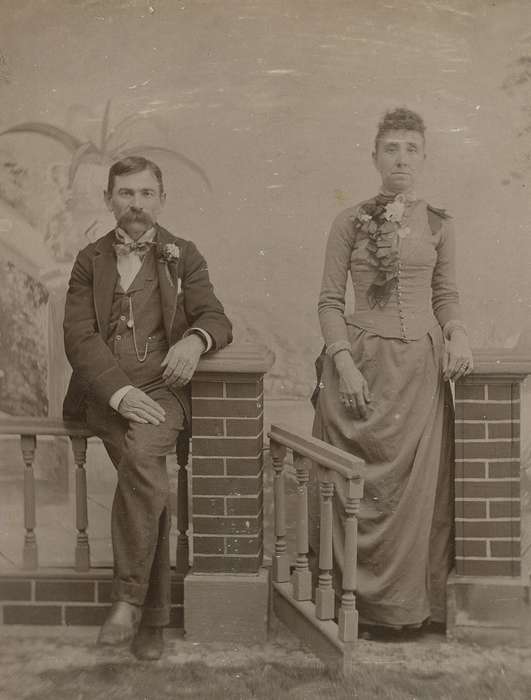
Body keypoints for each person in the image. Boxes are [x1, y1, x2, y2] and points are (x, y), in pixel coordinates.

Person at [63, 156, 232, 659]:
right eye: (126, 194)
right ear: (109, 199)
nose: (136, 204)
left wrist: (195, 342)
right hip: (107, 398)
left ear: (162, 198)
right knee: (150, 489)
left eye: (146, 193)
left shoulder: (185, 255)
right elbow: (78, 336)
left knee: (141, 466)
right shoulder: (89, 259)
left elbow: (216, 317)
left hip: (163, 393)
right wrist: (118, 392)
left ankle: (127, 601)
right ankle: (151, 620)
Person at [312, 108, 473, 634]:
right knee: (354, 484)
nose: (401, 158)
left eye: (411, 149)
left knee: (413, 493)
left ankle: (407, 611)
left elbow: (445, 295)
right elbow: (330, 301)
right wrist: (342, 362)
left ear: (424, 157)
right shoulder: (349, 220)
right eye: (391, 148)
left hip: (419, 372)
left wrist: (457, 332)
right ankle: (347, 603)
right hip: (360, 365)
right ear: (374, 155)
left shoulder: (439, 223)